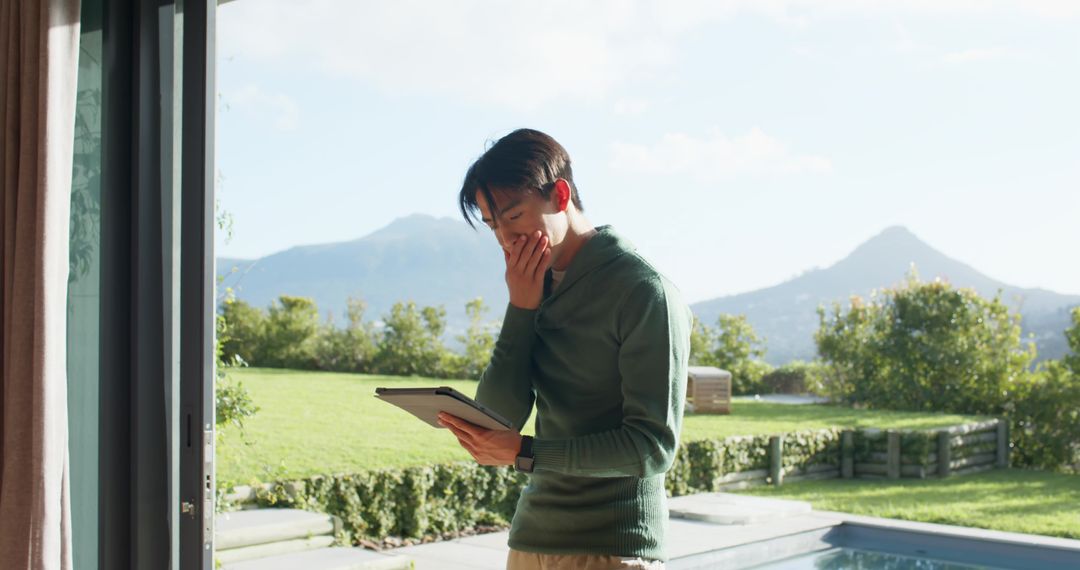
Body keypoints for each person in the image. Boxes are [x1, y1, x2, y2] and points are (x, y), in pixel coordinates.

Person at [437, 128, 692, 570]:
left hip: (613, 546)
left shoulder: (643, 291)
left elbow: (652, 448)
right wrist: (521, 308)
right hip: (531, 539)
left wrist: (526, 452)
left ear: (559, 194)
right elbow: (502, 416)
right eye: (494, 225)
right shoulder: (536, 288)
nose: (505, 239)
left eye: (514, 216)